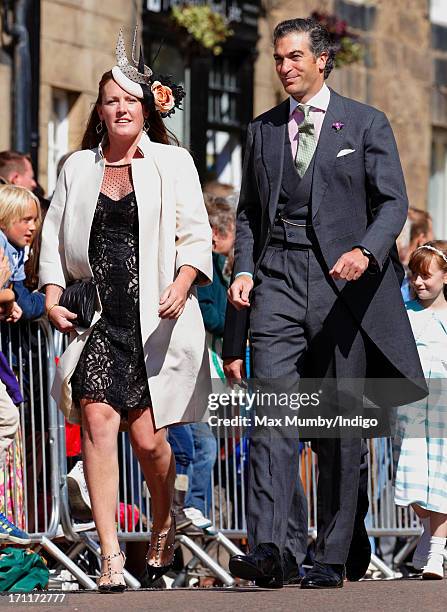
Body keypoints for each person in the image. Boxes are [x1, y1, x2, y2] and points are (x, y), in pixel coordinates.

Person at [223, 17, 427, 589]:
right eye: (277, 57)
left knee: (339, 427)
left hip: (345, 287)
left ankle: (334, 550)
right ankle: (272, 548)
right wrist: (242, 269)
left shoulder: (365, 123)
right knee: (271, 416)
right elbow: (247, 214)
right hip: (277, 279)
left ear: (321, 60)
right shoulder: (262, 131)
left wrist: (366, 250)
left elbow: (394, 204)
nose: (284, 67)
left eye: (294, 57)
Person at [38, 29, 212, 592]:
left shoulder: (173, 162)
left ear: (145, 108)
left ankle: (163, 522)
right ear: (100, 110)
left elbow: (196, 234)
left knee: (149, 443)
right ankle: (112, 555)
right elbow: (52, 238)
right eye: (110, 100)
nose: (119, 109)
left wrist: (184, 283)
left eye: (129, 101)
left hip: (154, 322)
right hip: (97, 321)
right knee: (96, 422)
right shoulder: (75, 168)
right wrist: (51, 294)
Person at [394, 241, 447, 579]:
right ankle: (429, 530)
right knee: (412, 474)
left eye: (426, 276)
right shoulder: (404, 313)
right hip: (411, 401)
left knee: (441, 477)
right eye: (414, 276)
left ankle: (436, 556)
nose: (419, 282)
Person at [0, 185, 44, 319]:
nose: (32, 227)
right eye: (26, 220)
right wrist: (9, 296)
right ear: (3, 220)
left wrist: (11, 303)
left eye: (35, 220)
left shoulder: (17, 249)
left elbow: (20, 297)